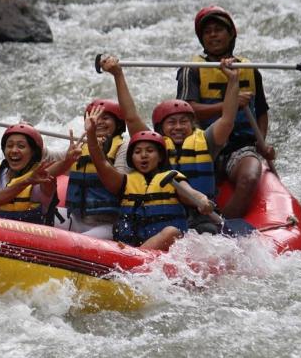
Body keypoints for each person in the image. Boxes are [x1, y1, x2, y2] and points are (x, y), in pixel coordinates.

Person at [100, 54, 240, 234]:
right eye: (171, 123)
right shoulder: (154, 146)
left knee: (207, 230)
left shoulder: (207, 140)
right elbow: (131, 117)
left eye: (184, 122)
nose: (178, 127)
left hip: (202, 214)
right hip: (164, 213)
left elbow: (228, 119)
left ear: (192, 124)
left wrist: (233, 80)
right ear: (161, 128)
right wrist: (118, 75)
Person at [176, 5, 275, 218]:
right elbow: (186, 111)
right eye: (207, 31)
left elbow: (262, 111)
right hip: (202, 144)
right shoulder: (190, 69)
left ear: (231, 34)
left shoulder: (250, 69)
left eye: (218, 29)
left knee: (249, 178)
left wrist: (262, 143)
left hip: (240, 146)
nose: (212, 35)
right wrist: (229, 104)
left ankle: (225, 227)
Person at [85, 106, 214, 251]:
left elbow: (191, 193)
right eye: (138, 152)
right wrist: (91, 134)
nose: (143, 155)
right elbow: (101, 163)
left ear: (160, 157)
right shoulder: (124, 182)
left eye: (150, 151)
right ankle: (133, 257)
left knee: (172, 232)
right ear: (131, 158)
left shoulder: (172, 179)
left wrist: (202, 200)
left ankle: (134, 258)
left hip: (163, 250)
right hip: (128, 247)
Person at [45, 96, 145, 239]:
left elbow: (120, 184)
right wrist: (31, 138)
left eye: (106, 118)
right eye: (95, 118)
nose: (99, 122)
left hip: (108, 224)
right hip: (76, 216)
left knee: (77, 243)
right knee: (39, 218)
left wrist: (99, 153)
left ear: (118, 123)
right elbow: (48, 158)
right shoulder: (81, 146)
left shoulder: (124, 147)